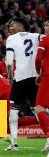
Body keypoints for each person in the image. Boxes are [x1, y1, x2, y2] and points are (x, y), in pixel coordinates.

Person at [5, 18, 42, 150]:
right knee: (38, 110)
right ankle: (48, 141)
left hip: (20, 78)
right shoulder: (37, 36)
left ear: (21, 28)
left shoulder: (11, 39)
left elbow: (9, 62)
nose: (10, 28)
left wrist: (10, 77)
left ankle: (14, 143)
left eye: (12, 25)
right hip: (35, 79)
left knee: (14, 111)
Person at [34, 18, 49, 152]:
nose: (45, 28)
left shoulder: (45, 40)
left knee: (39, 107)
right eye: (44, 24)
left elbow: (38, 58)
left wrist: (39, 72)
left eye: (48, 25)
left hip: (48, 76)